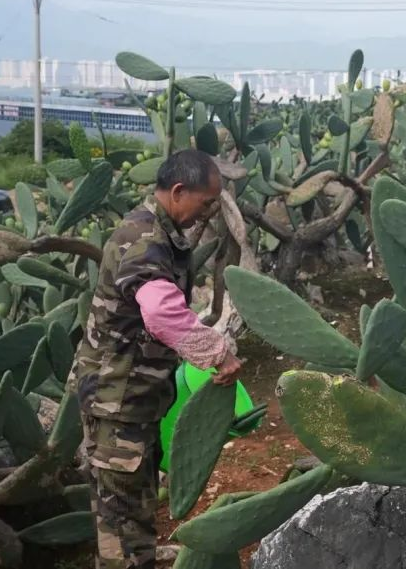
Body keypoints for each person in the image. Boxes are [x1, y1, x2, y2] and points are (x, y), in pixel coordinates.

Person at [73, 149, 244, 569]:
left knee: (126, 515)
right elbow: (161, 311)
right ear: (179, 191)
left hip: (128, 398)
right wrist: (217, 353)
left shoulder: (158, 232)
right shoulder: (144, 238)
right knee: (125, 527)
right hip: (117, 402)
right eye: (206, 202)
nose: (208, 212)